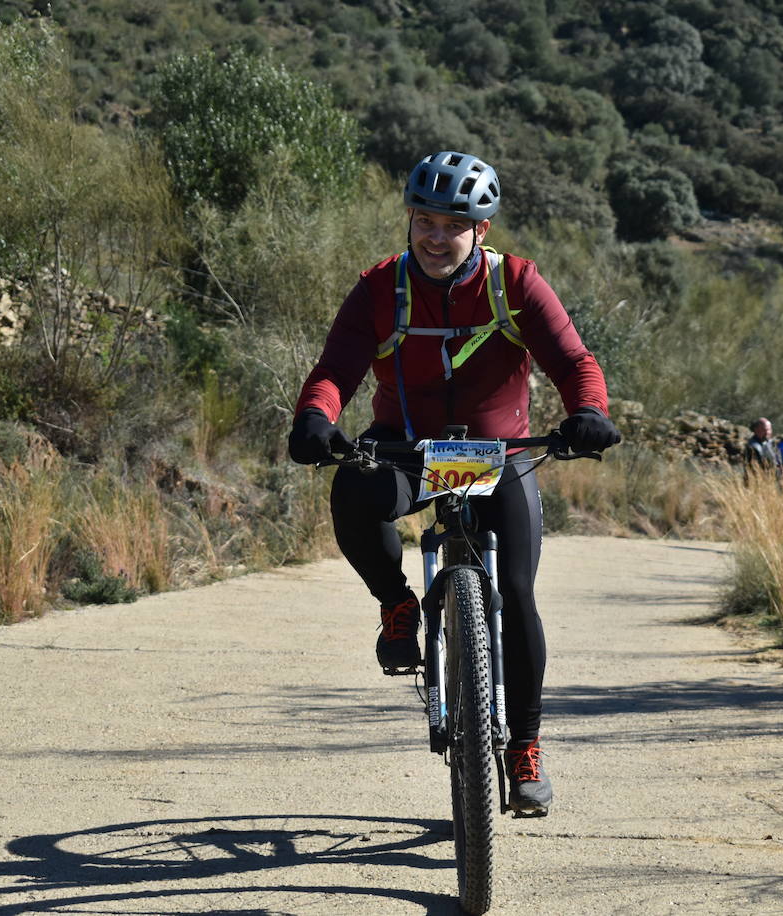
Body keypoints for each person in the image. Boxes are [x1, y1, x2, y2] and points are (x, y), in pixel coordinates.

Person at [287, 151, 620, 817]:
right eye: (424, 221)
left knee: (519, 594)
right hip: (406, 450)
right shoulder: (381, 288)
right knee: (354, 491)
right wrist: (316, 418)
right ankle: (397, 603)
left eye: (453, 224)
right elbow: (336, 369)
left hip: (496, 453)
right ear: (410, 221)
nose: (436, 237)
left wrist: (588, 412)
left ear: (483, 229)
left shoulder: (516, 284)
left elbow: (574, 360)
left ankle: (524, 747)